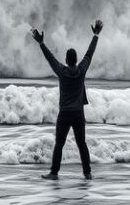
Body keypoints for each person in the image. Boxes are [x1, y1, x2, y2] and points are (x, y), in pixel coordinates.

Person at [31, 20, 103, 180]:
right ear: (76, 59)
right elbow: (89, 54)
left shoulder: (62, 71)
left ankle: (54, 173)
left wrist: (41, 43)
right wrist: (96, 35)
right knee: (82, 144)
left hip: (64, 114)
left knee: (59, 144)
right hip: (78, 114)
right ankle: (87, 172)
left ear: (66, 59)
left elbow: (50, 58)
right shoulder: (82, 69)